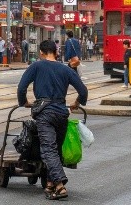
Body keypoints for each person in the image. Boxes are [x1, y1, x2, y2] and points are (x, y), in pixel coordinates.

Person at [17, 39, 89, 201]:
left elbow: (22, 88)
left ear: (41, 53)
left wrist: (24, 103)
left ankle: (59, 184)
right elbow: (83, 91)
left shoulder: (36, 66)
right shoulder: (66, 70)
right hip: (62, 113)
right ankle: (50, 183)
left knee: (48, 149)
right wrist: (76, 103)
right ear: (56, 52)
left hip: (45, 113)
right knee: (55, 150)